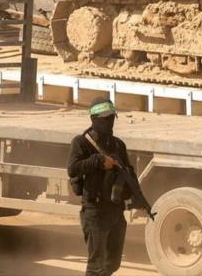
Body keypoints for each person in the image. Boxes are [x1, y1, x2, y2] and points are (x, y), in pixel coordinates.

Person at [68, 98, 137, 276]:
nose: (109, 122)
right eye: (104, 119)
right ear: (94, 119)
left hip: (115, 210)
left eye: (111, 118)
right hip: (95, 211)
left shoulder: (118, 144)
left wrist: (136, 197)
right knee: (96, 266)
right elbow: (73, 169)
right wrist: (98, 161)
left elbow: (129, 173)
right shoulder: (81, 142)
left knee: (112, 264)